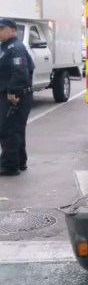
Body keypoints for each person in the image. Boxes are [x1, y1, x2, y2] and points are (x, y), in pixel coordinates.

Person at [0, 18, 35, 177]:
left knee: (8, 130)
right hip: (13, 94)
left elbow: (20, 72)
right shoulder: (6, 46)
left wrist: (12, 92)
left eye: (2, 29)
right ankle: (19, 161)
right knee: (16, 129)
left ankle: (9, 165)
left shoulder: (15, 48)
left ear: (13, 30)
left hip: (15, 96)